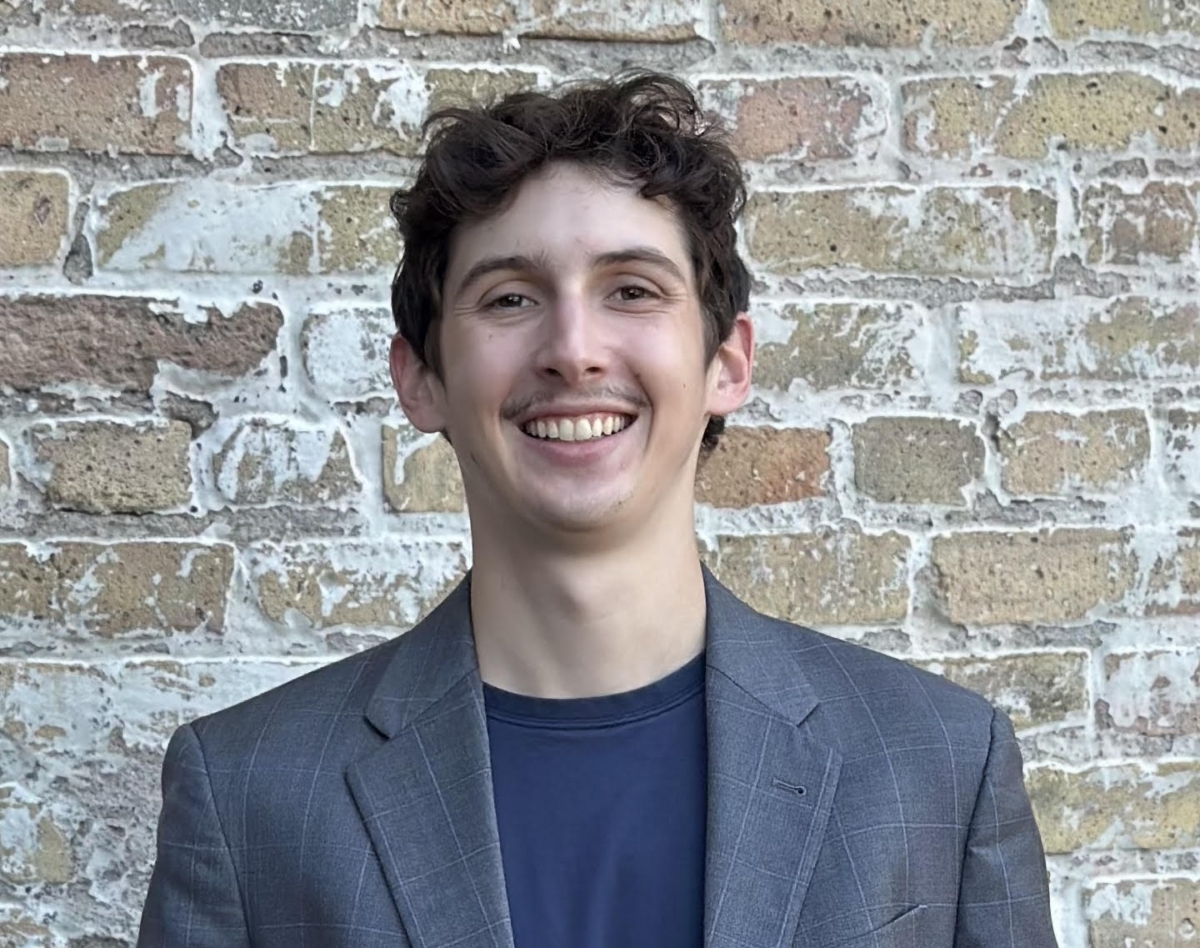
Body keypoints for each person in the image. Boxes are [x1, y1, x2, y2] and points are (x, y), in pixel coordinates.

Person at [137, 72, 1059, 948]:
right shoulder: (249, 793)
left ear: (727, 364)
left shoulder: (941, 763)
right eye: (509, 298)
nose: (572, 350)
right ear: (420, 381)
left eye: (632, 290)